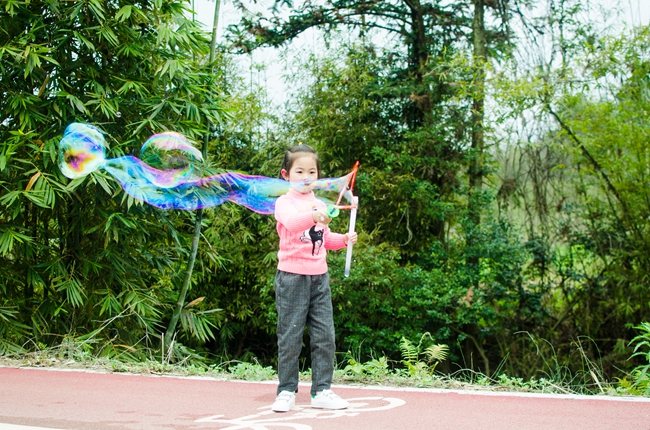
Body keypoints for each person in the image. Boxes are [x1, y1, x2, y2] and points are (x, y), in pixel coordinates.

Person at [271, 144, 358, 413]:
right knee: (290, 337)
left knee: (325, 337)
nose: (306, 176)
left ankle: (322, 390)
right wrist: (313, 215)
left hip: (319, 278)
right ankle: (286, 390)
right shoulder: (284, 203)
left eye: (312, 171)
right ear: (287, 175)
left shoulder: (320, 203)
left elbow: (322, 239)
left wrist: (343, 240)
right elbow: (294, 223)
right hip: (292, 277)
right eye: (300, 171)